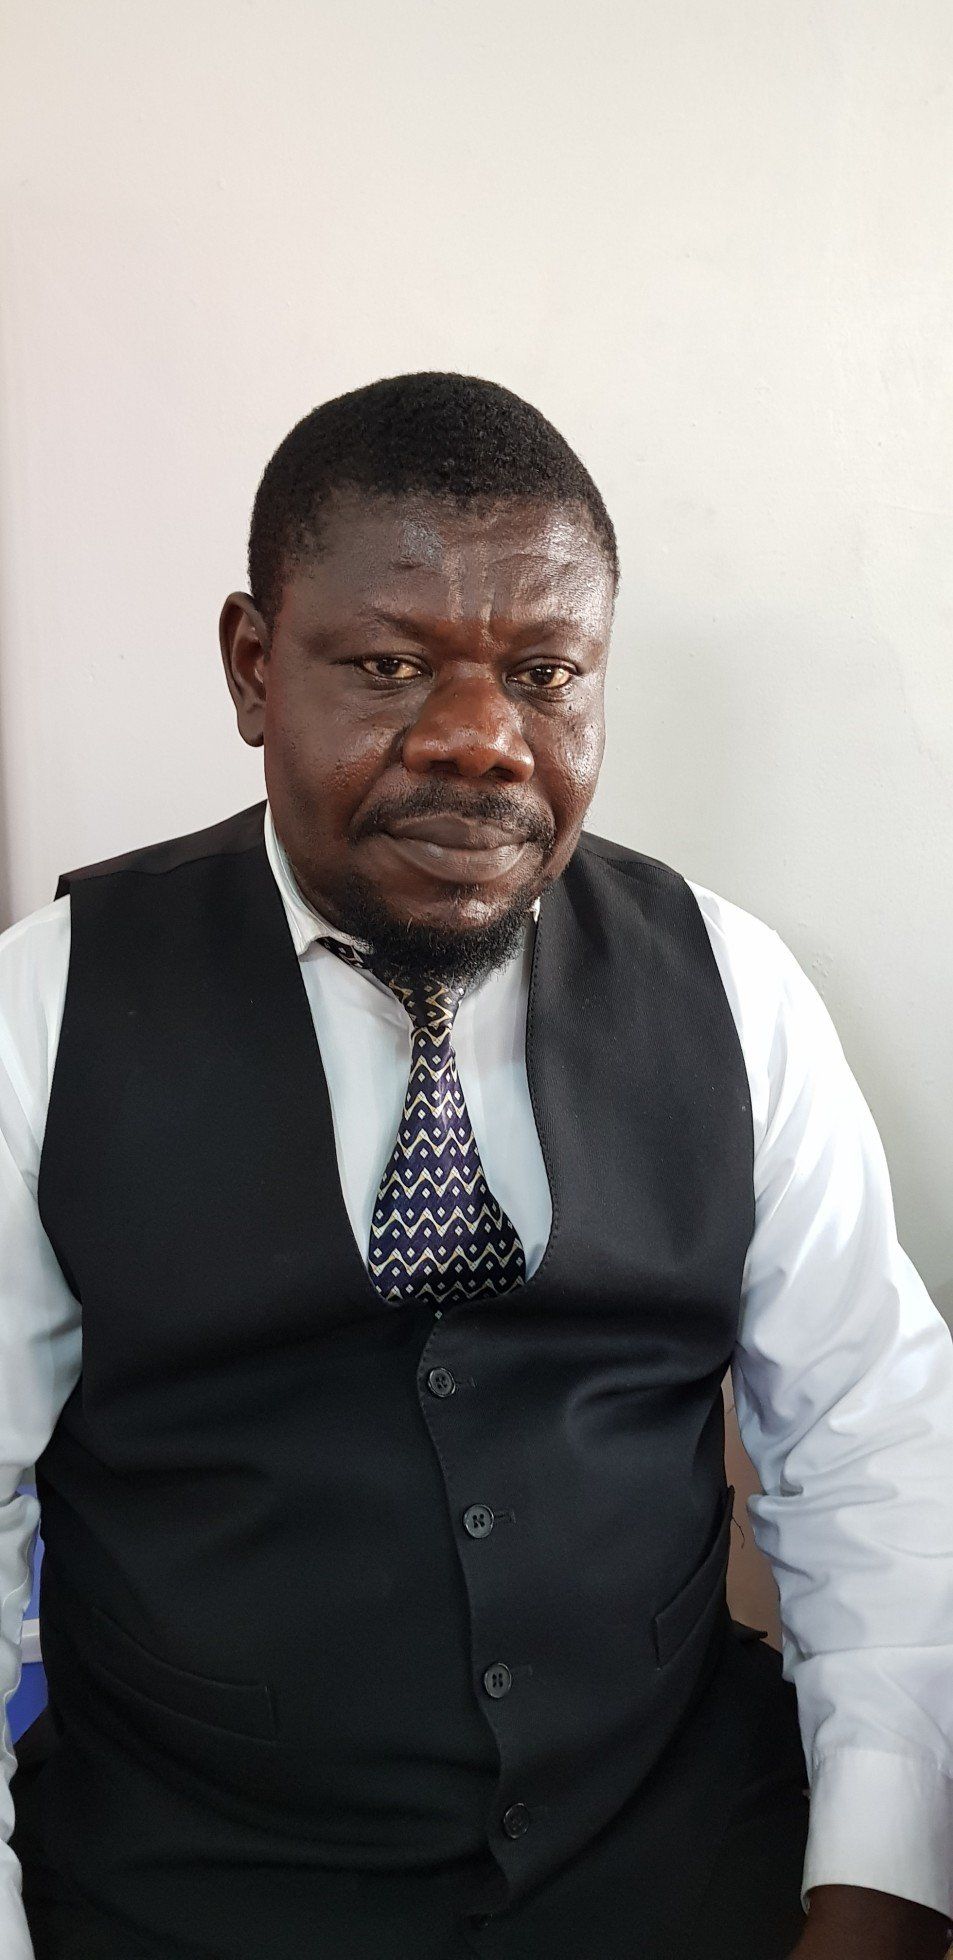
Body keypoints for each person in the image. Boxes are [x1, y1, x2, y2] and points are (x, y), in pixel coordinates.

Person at [1, 372, 951, 1960]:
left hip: (671, 1863)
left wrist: (884, 1888)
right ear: (253, 668)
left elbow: (874, 1448)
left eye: (543, 673)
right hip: (185, 1893)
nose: (478, 742)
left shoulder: (730, 985)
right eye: (387, 665)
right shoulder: (44, 1010)